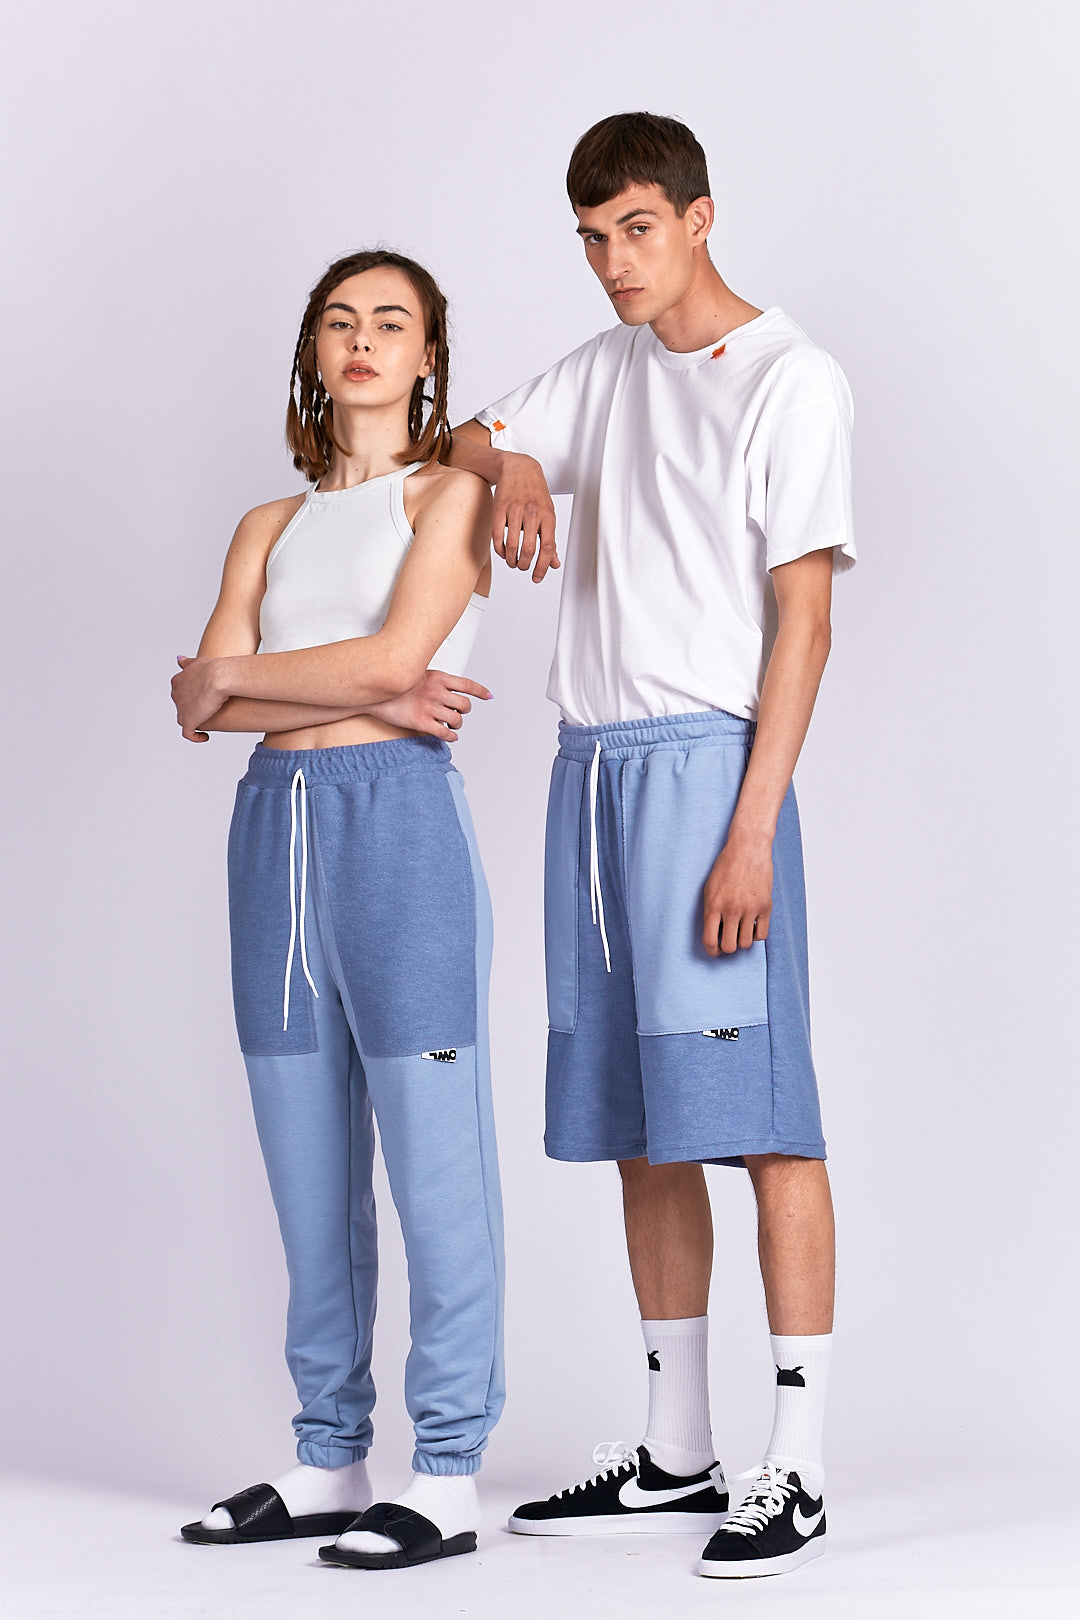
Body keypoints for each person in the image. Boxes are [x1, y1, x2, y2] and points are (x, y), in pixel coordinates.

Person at [447, 112, 855, 1580]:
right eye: (591, 239)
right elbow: (464, 434)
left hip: (707, 771)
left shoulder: (789, 379)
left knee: (760, 1115)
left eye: (636, 229)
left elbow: (806, 621)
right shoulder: (606, 366)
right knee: (640, 1122)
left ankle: (796, 1465)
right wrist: (510, 467)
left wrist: (750, 831)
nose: (614, 262)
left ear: (698, 215)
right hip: (591, 773)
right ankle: (678, 1452)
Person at [171, 249, 504, 1572]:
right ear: (314, 350)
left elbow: (389, 657)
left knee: (435, 1168)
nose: (363, 339)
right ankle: (329, 1457)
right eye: (340, 321)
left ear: (427, 357)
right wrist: (355, 686)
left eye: (392, 322)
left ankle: (449, 1469)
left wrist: (270, 679)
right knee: (307, 1171)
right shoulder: (268, 524)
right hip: (273, 834)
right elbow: (199, 702)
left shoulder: (452, 495)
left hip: (399, 830)